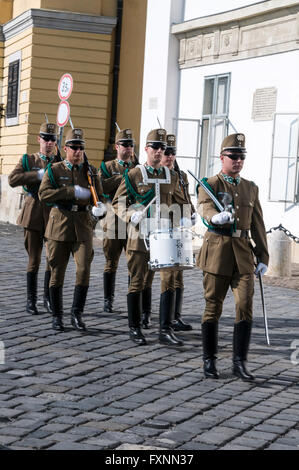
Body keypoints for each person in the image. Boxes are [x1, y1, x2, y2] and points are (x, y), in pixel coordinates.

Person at [197, 133, 269, 381]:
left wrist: (263, 256)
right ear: (222, 157)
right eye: (233, 156)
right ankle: (210, 360)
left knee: (244, 306)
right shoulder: (210, 184)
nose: (238, 161)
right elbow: (205, 206)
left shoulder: (250, 187)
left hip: (243, 255)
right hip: (217, 251)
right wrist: (213, 218)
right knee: (213, 307)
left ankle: (240, 362)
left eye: (241, 156)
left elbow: (258, 224)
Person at [112, 128, 190, 347]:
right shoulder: (134, 175)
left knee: (168, 282)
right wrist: (130, 215)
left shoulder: (172, 176)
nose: (158, 151)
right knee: (137, 281)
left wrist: (184, 217)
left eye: (162, 148)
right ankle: (135, 327)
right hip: (140, 236)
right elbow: (118, 202)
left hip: (165, 236)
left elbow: (182, 201)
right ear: (146, 149)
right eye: (154, 147)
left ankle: (165, 329)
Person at [38, 128, 106, 332]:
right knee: (57, 271)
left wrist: (100, 208)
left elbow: (99, 197)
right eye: (74, 147)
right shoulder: (55, 169)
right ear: (65, 148)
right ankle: (57, 316)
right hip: (60, 224)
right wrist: (69, 192)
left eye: (81, 148)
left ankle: (77, 314)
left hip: (83, 226)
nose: (78, 151)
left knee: (84, 269)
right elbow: (44, 194)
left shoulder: (91, 171)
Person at [141, 134, 195, 332]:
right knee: (147, 276)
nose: (170, 156)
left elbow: (186, 200)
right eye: (167, 152)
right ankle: (145, 314)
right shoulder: (147, 173)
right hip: (152, 229)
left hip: (173, 231)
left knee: (175, 276)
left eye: (173, 153)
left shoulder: (179, 176)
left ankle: (174, 317)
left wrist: (190, 215)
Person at [8, 122, 61, 315]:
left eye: (52, 139)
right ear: (39, 139)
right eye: (45, 139)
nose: (49, 142)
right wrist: (36, 174)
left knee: (52, 259)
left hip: (55, 215)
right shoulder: (28, 160)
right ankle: (31, 300)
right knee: (34, 260)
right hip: (33, 213)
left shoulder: (60, 162)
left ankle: (48, 298)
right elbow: (12, 180)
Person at [99, 129, 138, 313]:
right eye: (125, 145)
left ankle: (133, 298)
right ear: (116, 147)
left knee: (134, 262)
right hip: (114, 219)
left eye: (131, 145)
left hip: (133, 219)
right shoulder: (108, 167)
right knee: (111, 261)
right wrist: (124, 178)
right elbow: (102, 186)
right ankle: (108, 299)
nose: (128, 148)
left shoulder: (138, 166)